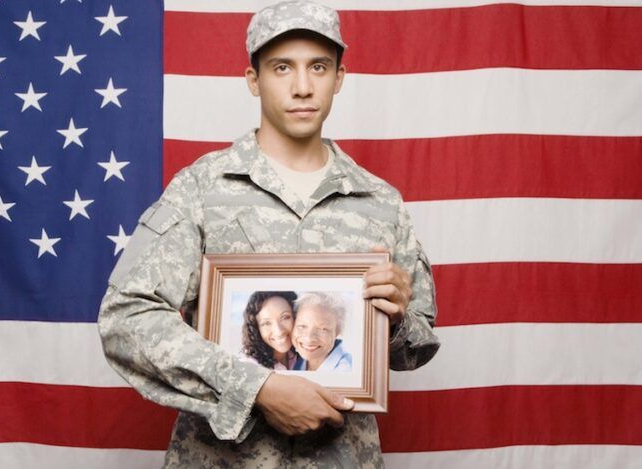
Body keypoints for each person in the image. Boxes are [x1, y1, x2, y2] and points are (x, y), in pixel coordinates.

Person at [98, 1, 440, 466]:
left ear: (339, 78)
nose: (302, 87)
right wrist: (256, 387)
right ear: (253, 80)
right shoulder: (201, 188)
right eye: (282, 68)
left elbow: (415, 349)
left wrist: (396, 320)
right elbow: (126, 317)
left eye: (318, 67)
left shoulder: (381, 203)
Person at [291, 291, 352, 372]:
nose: (309, 338)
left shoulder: (345, 370)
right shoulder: (294, 362)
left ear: (337, 331)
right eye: (302, 326)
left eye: (323, 329)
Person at [241, 291, 299, 370]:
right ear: (256, 329)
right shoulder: (249, 367)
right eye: (266, 323)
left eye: (285, 317)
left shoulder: (301, 354)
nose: (279, 331)